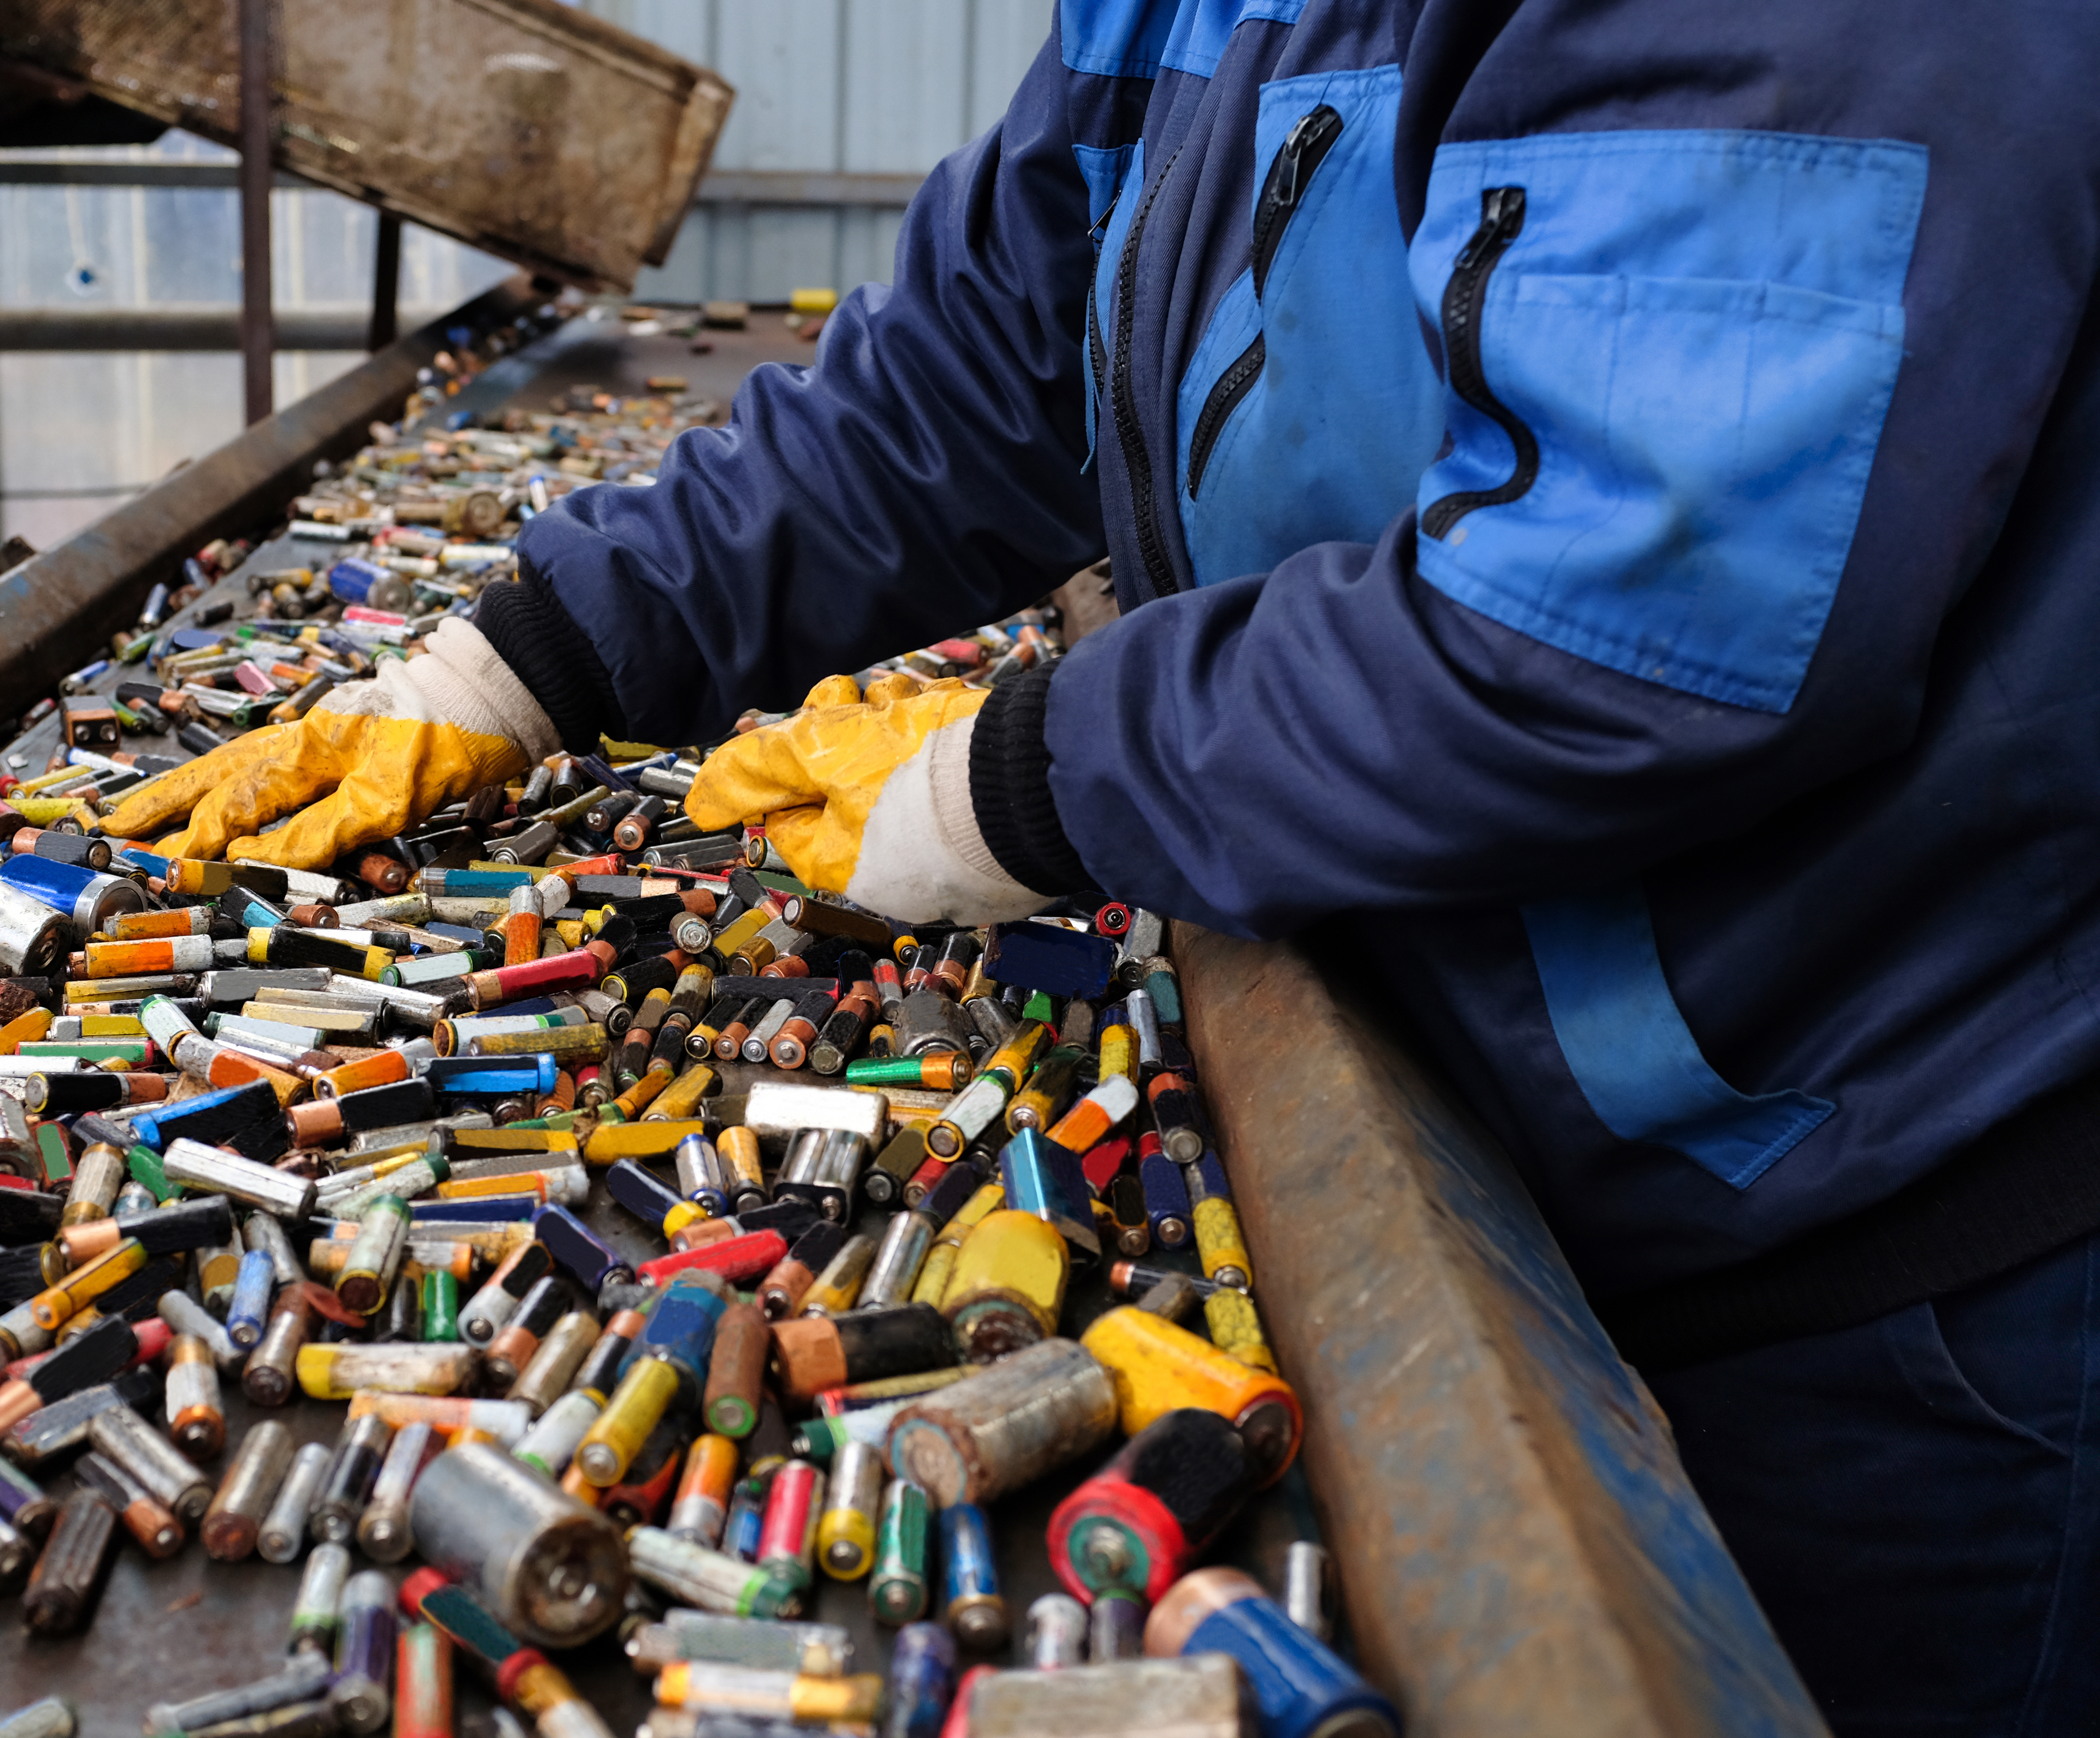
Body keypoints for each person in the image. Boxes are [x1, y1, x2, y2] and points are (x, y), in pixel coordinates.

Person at [109, 2, 2100, 1726]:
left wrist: (1043, 773)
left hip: (1872, 1214)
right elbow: (987, 368)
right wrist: (534, 659)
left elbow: (1635, 630)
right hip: (1497, 1107)